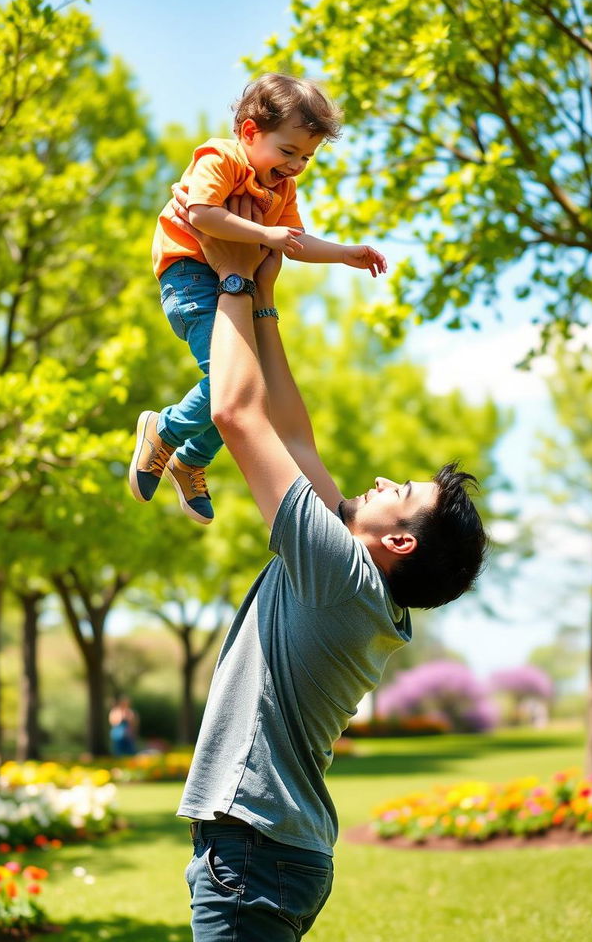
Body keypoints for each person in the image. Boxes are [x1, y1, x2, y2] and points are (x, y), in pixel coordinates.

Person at [167, 188, 488, 941]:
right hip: (275, 850)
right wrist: (269, 304)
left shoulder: (340, 577)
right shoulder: (355, 577)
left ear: (400, 542)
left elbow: (239, 417)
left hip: (254, 851)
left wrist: (233, 281)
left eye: (397, 491)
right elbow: (297, 441)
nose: (379, 481)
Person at [129, 73, 387, 525]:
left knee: (252, 390)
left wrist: (345, 254)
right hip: (190, 276)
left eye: (307, 157)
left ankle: (191, 458)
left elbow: (295, 240)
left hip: (228, 282)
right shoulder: (221, 157)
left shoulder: (281, 188)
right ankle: (164, 429)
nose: (296, 166)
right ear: (250, 132)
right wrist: (263, 233)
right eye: (288, 151)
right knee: (232, 384)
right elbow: (202, 213)